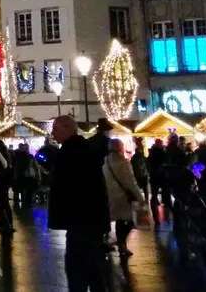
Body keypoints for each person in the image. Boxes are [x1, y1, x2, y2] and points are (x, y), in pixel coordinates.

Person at [48, 115, 109, 292]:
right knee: (93, 269)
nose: (53, 133)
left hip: (80, 221)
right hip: (90, 220)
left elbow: (70, 189)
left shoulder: (70, 153)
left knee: (77, 268)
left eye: (56, 128)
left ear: (67, 129)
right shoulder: (84, 150)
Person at [102, 138, 142, 262]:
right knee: (130, 221)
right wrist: (140, 197)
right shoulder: (123, 163)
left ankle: (116, 243)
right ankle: (121, 243)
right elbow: (131, 182)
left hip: (110, 196)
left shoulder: (105, 162)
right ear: (120, 148)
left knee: (116, 219)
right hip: (124, 197)